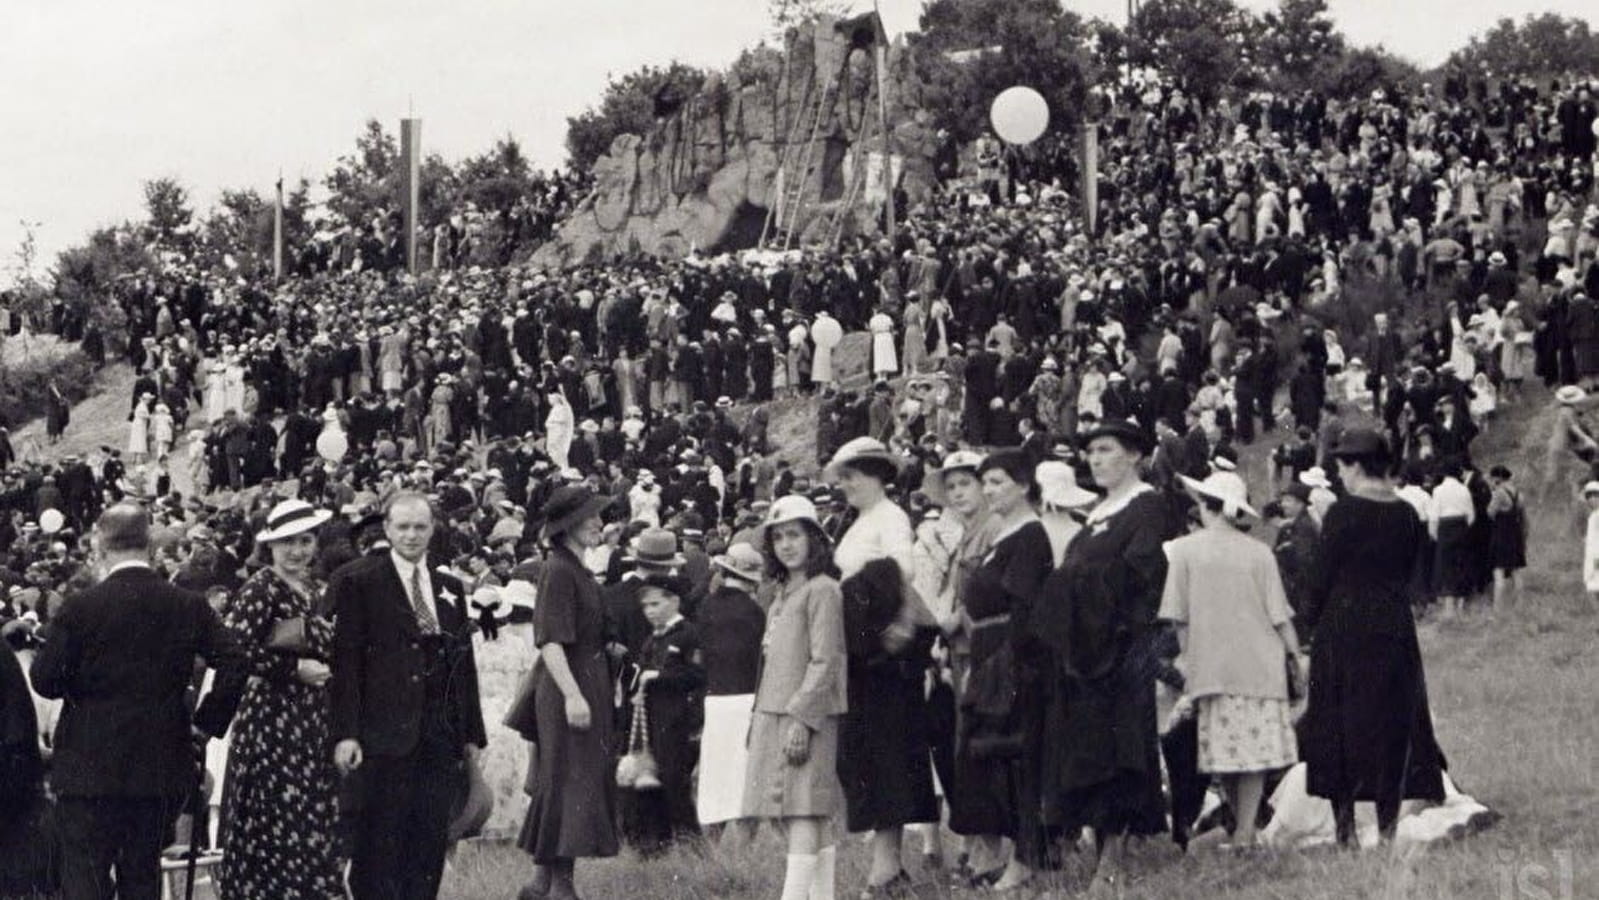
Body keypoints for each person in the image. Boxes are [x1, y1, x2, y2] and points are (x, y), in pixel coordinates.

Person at [29, 503, 248, 900]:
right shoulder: (187, 604)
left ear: (100, 545)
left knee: (85, 880)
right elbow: (235, 662)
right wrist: (204, 724)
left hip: (87, 765)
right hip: (157, 764)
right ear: (148, 544)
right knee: (142, 878)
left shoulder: (80, 607)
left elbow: (44, 680)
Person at [1030, 419, 1169, 891]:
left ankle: (1115, 856)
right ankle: (1096, 850)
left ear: (1133, 454)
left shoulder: (1147, 505)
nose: (1095, 459)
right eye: (1090, 452)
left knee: (1120, 749)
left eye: (1106, 449)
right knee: (1088, 748)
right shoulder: (1096, 512)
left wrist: (1074, 587)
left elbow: (1141, 572)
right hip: (1082, 651)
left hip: (1120, 647)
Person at [328, 492, 488, 900]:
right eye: (403, 527)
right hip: (381, 737)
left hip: (437, 739)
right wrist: (346, 733)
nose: (412, 536)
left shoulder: (449, 587)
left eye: (420, 527)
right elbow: (345, 663)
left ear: (433, 529)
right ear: (387, 529)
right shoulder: (359, 581)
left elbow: (462, 667)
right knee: (379, 846)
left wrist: (471, 734)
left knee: (429, 845)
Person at [1301, 428, 1447, 847]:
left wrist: (1309, 622)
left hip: (1344, 626)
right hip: (1393, 626)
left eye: (1342, 465)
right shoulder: (1405, 512)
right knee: (1390, 723)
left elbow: (1320, 576)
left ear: (1356, 466)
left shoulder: (1343, 512)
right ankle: (1387, 828)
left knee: (1337, 721)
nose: (1339, 474)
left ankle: (1344, 831)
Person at [1158, 471, 1303, 849]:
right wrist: (1295, 659)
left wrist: (1189, 661)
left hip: (1213, 667)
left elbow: (1178, 617)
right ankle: (1245, 830)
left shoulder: (1185, 551)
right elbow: (1280, 616)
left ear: (1207, 506)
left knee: (1225, 753)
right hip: (1261, 663)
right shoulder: (1259, 552)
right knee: (1253, 753)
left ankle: (1242, 828)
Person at [827, 437, 939, 895]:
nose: (846, 485)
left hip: (882, 648)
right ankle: (887, 862)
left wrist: (902, 624)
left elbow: (902, 571)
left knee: (886, 748)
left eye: (852, 475)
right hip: (859, 645)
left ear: (876, 475)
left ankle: (887, 865)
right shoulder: (857, 522)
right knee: (868, 749)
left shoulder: (890, 517)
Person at [217, 499, 343, 899]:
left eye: (305, 541)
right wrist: (293, 670)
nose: (297, 551)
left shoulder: (310, 588)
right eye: (287, 542)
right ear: (270, 546)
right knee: (277, 827)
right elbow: (232, 650)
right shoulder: (261, 588)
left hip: (308, 726)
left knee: (310, 826)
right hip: (271, 728)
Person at [950, 449, 1055, 892]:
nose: (989, 490)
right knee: (995, 760)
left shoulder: (1030, 535)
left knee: (1019, 758)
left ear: (1024, 485)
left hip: (1015, 654)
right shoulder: (1003, 536)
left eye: (997, 482)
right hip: (990, 650)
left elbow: (1026, 606)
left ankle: (1027, 857)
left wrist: (1007, 663)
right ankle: (1019, 853)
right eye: (986, 482)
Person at [516, 484, 619, 900]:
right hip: (569, 686)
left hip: (582, 681)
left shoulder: (576, 567)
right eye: (591, 516)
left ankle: (541, 883)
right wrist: (574, 696)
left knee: (561, 780)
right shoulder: (559, 569)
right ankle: (563, 888)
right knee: (571, 783)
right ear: (569, 525)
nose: (599, 522)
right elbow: (551, 641)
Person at [746, 495, 847, 900]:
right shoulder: (782, 592)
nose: (786, 545)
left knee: (803, 810)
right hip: (774, 712)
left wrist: (803, 720)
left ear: (815, 540)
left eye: (795, 535)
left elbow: (826, 660)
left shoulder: (823, 590)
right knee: (802, 816)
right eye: (778, 538)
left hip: (805, 715)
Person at [622, 575, 704, 855]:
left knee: (673, 780)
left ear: (674, 601)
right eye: (646, 606)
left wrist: (662, 676)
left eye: (656, 604)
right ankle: (655, 844)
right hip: (650, 719)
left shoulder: (687, 634)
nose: (650, 611)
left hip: (677, 718)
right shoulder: (651, 640)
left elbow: (697, 674)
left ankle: (691, 843)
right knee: (648, 779)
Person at [695, 542, 767, 842]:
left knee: (715, 773)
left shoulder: (707, 606)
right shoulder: (754, 611)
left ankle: (712, 836)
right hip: (747, 696)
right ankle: (745, 842)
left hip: (714, 697)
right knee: (744, 773)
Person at [1485, 465, 1527, 611]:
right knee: (1516, 571)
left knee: (1499, 571)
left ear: (1497, 478)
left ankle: (1497, 607)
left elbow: (1490, 512)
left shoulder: (1499, 493)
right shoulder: (1518, 493)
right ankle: (1520, 604)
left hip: (1501, 533)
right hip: (1515, 534)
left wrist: (1492, 492)